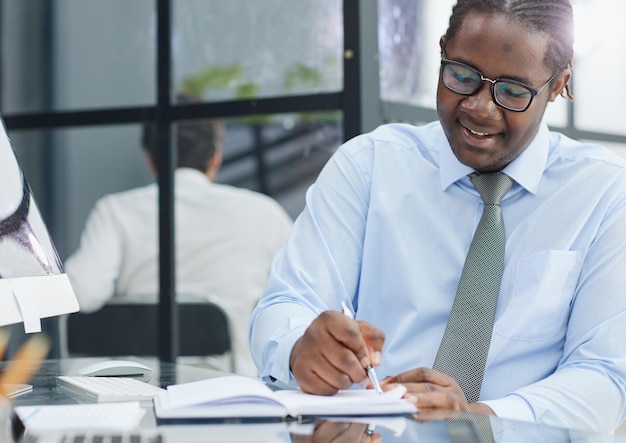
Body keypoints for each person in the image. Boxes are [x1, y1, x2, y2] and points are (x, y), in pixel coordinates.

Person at [249, 0, 626, 433]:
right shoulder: (370, 165)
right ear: (443, 50)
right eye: (462, 77)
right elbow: (284, 303)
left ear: (559, 84)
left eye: (512, 92)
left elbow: (606, 376)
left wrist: (476, 417)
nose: (480, 109)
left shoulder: (606, 194)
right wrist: (300, 348)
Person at [65, 108, 293, 377]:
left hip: (143, 390)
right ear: (216, 158)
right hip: (236, 390)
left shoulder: (115, 211)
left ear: (151, 159)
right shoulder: (265, 213)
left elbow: (82, 293)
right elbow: (299, 301)